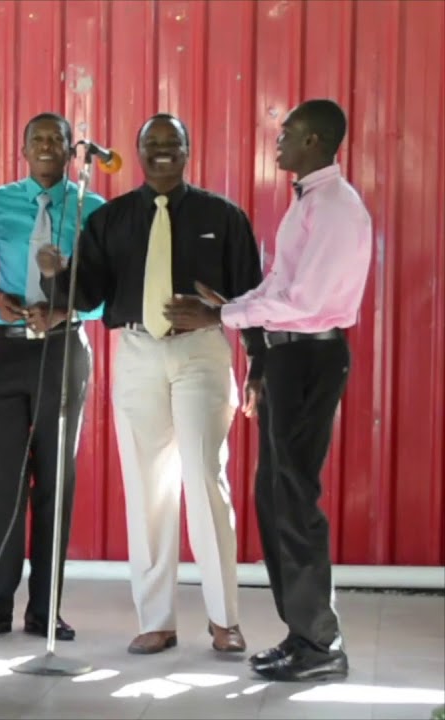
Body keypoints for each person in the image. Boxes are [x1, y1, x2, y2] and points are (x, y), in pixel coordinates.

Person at [36, 113, 264, 655]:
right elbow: (87, 295)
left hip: (200, 352)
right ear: (138, 153)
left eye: (172, 142)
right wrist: (55, 274)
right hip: (137, 352)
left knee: (205, 478)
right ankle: (156, 619)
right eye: (152, 143)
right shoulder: (110, 219)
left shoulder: (223, 216)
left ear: (187, 150)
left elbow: (252, 296)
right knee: (146, 487)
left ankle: (224, 619)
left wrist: (257, 362)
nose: (163, 150)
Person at [165, 99, 370, 681]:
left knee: (295, 498)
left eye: (288, 133)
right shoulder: (307, 201)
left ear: (315, 141)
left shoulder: (335, 206)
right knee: (274, 497)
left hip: (309, 357)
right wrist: (231, 307)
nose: (278, 141)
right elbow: (279, 285)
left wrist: (221, 315)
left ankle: (321, 646)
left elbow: (306, 301)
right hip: (287, 357)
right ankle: (302, 635)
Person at [0, 112, 106, 642]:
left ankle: (45, 610)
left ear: (71, 151)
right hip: (6, 350)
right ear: (22, 149)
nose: (47, 145)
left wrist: (67, 309)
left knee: (55, 481)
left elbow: (107, 292)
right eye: (37, 139)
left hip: (63, 349)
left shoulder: (90, 207)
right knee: (1, 481)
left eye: (57, 139)